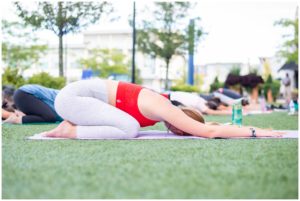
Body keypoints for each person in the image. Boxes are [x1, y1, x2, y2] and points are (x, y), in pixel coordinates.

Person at [43, 78, 283, 139]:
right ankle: (69, 131)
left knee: (127, 125)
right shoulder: (164, 107)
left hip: (79, 102)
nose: (182, 133)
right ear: (183, 120)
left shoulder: (161, 112)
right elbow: (209, 132)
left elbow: (210, 126)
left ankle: (73, 126)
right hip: (72, 98)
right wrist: (256, 131)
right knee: (129, 128)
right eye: (186, 130)